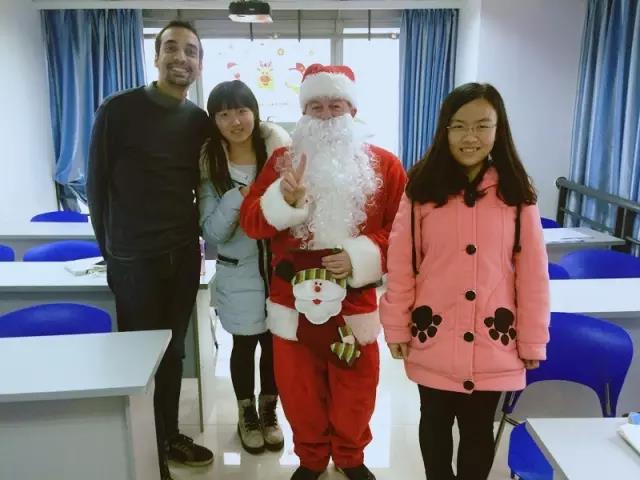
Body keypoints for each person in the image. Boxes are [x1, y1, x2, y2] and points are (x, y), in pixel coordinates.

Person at [239, 64, 407, 480]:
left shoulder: (385, 165)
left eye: (336, 105)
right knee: (299, 389)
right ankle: (312, 458)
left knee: (356, 387)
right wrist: (284, 198)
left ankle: (350, 456)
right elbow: (251, 223)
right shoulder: (281, 163)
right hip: (291, 300)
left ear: (353, 111)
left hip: (354, 301)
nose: (327, 115)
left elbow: (404, 233)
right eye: (316, 106)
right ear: (303, 113)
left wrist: (360, 255)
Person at [380, 82, 550, 480]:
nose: (469, 137)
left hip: (495, 338)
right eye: (458, 126)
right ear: (444, 130)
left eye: (482, 126)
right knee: (434, 423)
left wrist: (532, 338)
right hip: (434, 333)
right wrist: (397, 326)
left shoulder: (516, 193)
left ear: (498, 130)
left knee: (477, 431)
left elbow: (533, 274)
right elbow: (402, 265)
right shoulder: (421, 190)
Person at [87, 20, 214, 480]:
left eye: (191, 51)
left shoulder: (198, 121)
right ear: (156, 56)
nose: (181, 57)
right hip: (133, 259)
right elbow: (96, 187)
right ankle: (146, 452)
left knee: (174, 351)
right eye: (172, 48)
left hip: (182, 254)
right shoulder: (118, 110)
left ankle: (168, 434)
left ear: (199, 65)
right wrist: (112, 253)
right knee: (141, 357)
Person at [198, 80, 290, 454]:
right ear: (214, 121)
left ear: (255, 112)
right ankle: (246, 412)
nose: (235, 121)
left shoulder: (279, 159)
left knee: (274, 346)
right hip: (239, 273)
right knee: (244, 344)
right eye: (224, 114)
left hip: (280, 272)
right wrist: (238, 198)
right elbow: (211, 232)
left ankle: (269, 411)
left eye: (241, 111)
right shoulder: (212, 167)